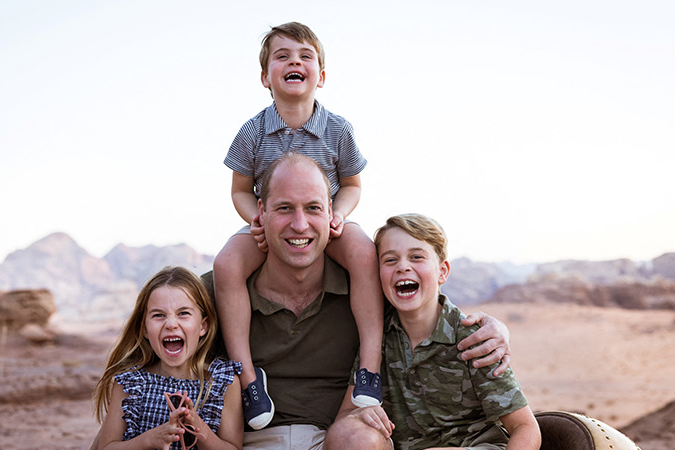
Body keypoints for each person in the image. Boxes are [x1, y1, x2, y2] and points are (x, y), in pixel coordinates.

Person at [203, 153, 513, 450]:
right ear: (261, 211)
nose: (300, 225)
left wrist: (494, 327)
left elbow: (426, 313)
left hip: (335, 438)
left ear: (331, 214)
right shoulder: (216, 292)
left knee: (358, 437)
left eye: (313, 208)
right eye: (285, 208)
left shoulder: (366, 288)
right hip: (248, 443)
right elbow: (160, 328)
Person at [213, 21, 384, 430]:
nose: (295, 62)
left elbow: (353, 184)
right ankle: (249, 378)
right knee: (226, 265)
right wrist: (252, 217)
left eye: (305, 56)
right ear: (264, 76)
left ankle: (370, 367)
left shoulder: (338, 129)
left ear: (321, 76)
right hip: (271, 224)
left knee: (363, 252)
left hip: (326, 222)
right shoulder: (253, 131)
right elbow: (238, 189)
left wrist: (338, 212)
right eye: (283, 56)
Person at [328, 214, 541, 450]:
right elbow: (344, 419)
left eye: (416, 257)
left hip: (474, 446)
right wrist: (360, 416)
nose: (403, 267)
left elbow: (525, 428)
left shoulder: (474, 339)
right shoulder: (378, 336)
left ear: (442, 271)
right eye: (390, 260)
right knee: (347, 435)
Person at [91, 266, 243, 450]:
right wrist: (150, 439)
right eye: (159, 315)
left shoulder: (222, 383)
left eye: (183, 313)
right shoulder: (131, 384)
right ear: (145, 329)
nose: (171, 324)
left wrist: (195, 423)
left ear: (203, 326)